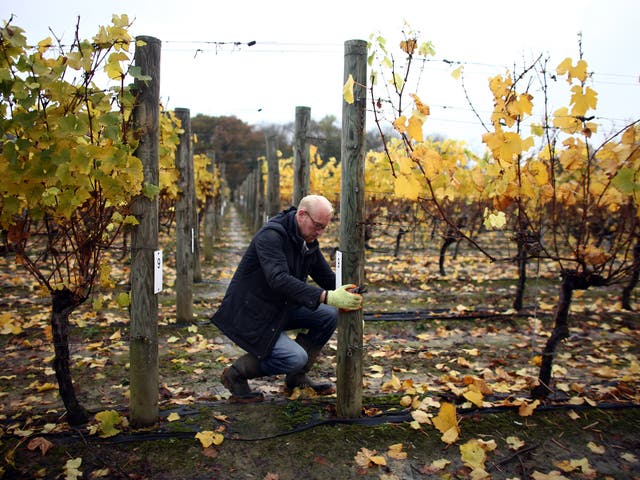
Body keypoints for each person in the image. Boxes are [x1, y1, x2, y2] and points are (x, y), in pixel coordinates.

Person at [210, 194, 363, 402]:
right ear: (302, 215)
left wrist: (350, 293)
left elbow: (325, 277)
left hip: (280, 308)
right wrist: (326, 296)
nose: (319, 233)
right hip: (252, 314)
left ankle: (296, 377)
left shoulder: (306, 240)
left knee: (329, 315)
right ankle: (236, 374)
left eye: (324, 228)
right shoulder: (271, 236)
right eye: (317, 226)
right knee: (295, 357)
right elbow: (279, 279)